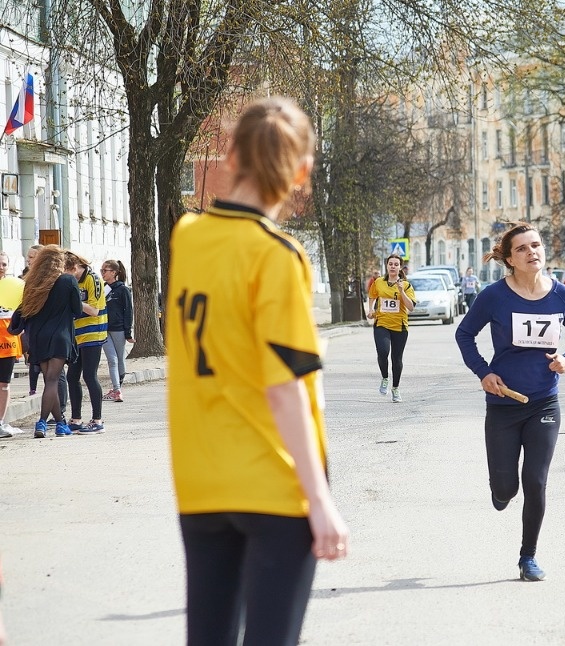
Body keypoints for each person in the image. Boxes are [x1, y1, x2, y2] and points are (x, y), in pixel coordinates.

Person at [166, 97, 349, 646]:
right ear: (300, 171)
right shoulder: (277, 255)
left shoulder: (188, 235)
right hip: (273, 483)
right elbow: (283, 387)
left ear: (232, 154)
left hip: (199, 482)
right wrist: (320, 502)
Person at [455, 222, 565, 582]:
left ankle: (527, 557)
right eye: (523, 249)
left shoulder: (562, 296)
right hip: (503, 405)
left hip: (544, 403)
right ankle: (501, 490)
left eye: (537, 245)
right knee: (506, 488)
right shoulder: (494, 296)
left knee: (536, 480)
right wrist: (484, 373)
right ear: (510, 259)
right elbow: (464, 334)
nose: (533, 252)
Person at [10, 245, 83, 438]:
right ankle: (41, 422)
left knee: (48, 379)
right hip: (60, 337)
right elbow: (76, 310)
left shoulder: (32, 283)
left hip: (38, 337)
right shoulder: (68, 280)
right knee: (52, 380)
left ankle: (60, 423)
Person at [64, 251, 107, 434]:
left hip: (93, 332)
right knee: (72, 376)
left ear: (74, 267)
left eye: (65, 270)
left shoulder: (93, 279)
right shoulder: (72, 281)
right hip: (77, 334)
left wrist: (74, 301)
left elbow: (95, 310)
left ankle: (97, 420)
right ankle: (76, 419)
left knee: (90, 375)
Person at [367, 253, 416, 403]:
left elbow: (411, 307)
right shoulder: (379, 282)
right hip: (381, 323)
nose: (393, 266)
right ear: (387, 266)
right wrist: (370, 309)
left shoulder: (406, 285)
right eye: (390, 264)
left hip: (400, 326)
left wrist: (401, 291)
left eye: (396, 264)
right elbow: (372, 296)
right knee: (383, 352)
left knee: (396, 359)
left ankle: (395, 388)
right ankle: (385, 378)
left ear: (400, 267)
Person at [101, 259, 134, 402]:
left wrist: (127, 332)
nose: (102, 273)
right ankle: (117, 389)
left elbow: (128, 311)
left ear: (114, 273)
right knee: (112, 359)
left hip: (118, 329)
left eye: (105, 271)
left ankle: (117, 388)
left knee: (120, 358)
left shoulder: (122, 290)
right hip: (103, 329)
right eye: (101, 270)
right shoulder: (102, 288)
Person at [0, 253, 23, 438]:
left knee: (4, 384)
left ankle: (0, 422)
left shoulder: (14, 286)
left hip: (8, 341)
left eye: (4, 264)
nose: (1, 267)